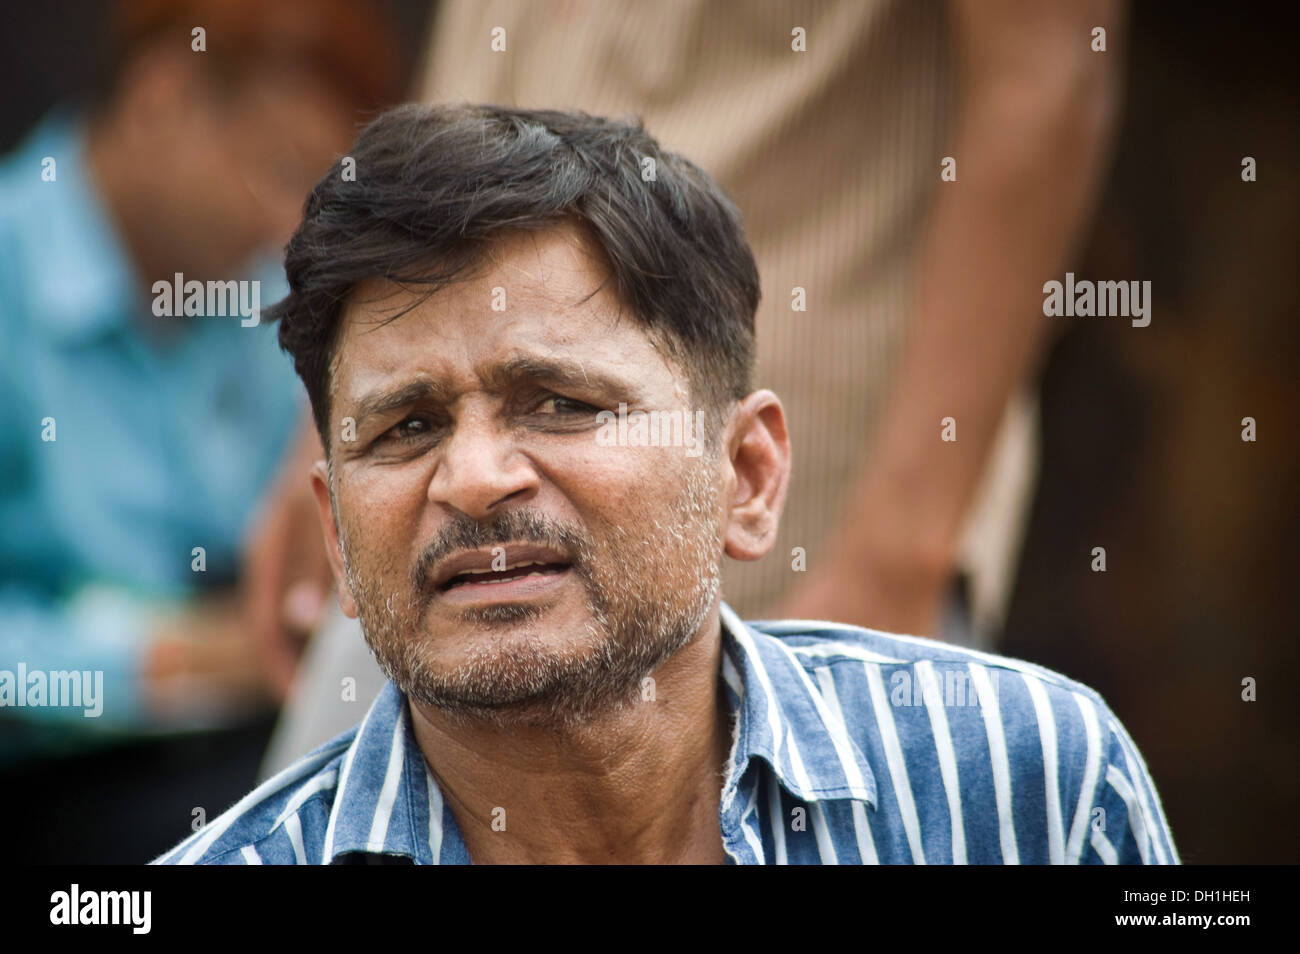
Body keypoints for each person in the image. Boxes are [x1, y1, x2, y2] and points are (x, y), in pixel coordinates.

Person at [156, 104, 1177, 864]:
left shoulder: (1023, 787)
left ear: (745, 475)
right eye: (407, 426)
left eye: (558, 402)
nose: (471, 478)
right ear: (335, 538)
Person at [0, 0, 401, 861]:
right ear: (164, 97)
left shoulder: (259, 291)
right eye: (275, 169)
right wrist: (176, 663)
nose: (284, 224)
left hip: (263, 736)